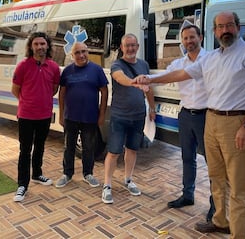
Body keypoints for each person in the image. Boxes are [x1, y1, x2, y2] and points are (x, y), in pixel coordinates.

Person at [134, 11, 245, 238]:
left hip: (236, 121)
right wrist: (150, 79)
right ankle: (220, 221)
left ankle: (239, 234)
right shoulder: (211, 58)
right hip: (212, 120)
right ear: (215, 31)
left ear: (238, 27)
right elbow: (179, 74)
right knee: (216, 176)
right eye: (220, 27)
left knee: (238, 185)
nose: (225, 30)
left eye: (229, 26)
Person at [154, 21, 215, 221]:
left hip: (207, 116)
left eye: (192, 37)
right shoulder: (179, 63)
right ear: (182, 41)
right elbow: (164, 75)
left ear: (201, 38)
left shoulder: (212, 59)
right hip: (186, 115)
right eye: (185, 38)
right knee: (187, 158)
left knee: (213, 162)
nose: (189, 41)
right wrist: (143, 78)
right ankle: (187, 195)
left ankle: (216, 205)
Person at [101, 33, 156, 204]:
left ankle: (128, 179)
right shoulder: (117, 64)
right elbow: (120, 78)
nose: (131, 48)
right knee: (114, 151)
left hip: (138, 115)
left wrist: (152, 108)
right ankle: (107, 185)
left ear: (138, 46)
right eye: (127, 45)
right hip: (119, 115)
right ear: (122, 47)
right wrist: (134, 81)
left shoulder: (144, 64)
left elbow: (149, 88)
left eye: (133, 45)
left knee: (132, 149)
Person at [12, 32, 61, 202]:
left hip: (44, 115)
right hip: (26, 115)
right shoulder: (23, 66)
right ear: (31, 47)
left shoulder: (54, 67)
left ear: (47, 46)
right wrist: (27, 102)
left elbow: (54, 89)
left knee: (40, 146)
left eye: (42, 44)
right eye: (36, 44)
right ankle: (22, 185)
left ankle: (37, 174)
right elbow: (15, 89)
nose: (40, 47)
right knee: (25, 150)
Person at [55, 42, 108, 188]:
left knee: (89, 147)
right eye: (77, 52)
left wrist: (102, 114)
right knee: (68, 147)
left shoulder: (96, 70)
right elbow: (62, 93)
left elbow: (104, 91)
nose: (81, 55)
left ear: (88, 52)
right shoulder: (67, 71)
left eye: (84, 51)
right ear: (72, 55)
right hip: (70, 116)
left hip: (90, 117)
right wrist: (61, 114)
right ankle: (67, 174)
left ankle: (88, 174)